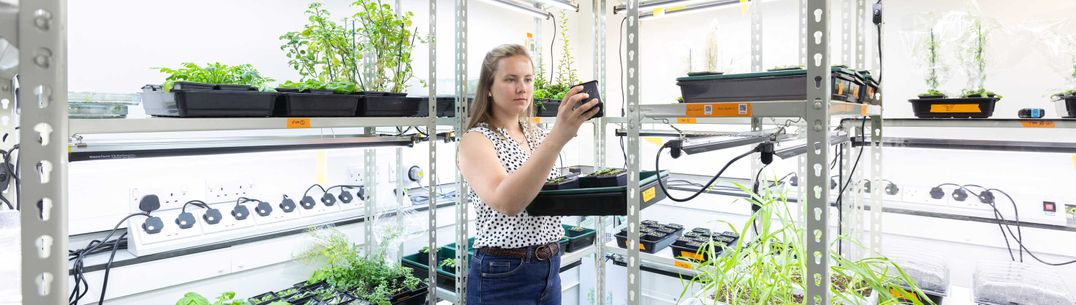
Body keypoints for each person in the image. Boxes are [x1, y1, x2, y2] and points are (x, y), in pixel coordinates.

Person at [458, 44, 600, 304]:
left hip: (549, 266)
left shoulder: (533, 135)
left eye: (527, 79)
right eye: (510, 79)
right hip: (504, 274)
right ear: (488, 88)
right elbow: (508, 202)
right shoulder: (476, 140)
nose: (522, 88)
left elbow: (539, 194)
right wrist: (558, 137)